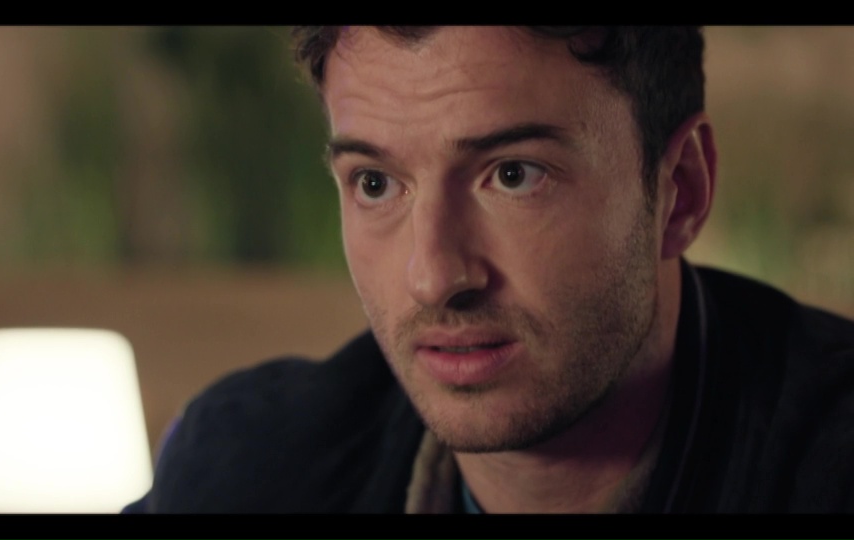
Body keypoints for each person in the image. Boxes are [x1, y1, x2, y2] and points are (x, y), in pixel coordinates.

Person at [123, 26, 854, 513]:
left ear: (680, 192)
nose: (434, 276)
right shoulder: (246, 470)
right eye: (375, 183)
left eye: (513, 175)